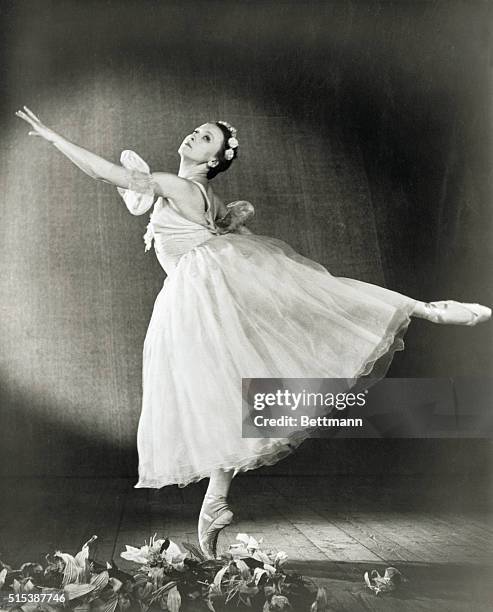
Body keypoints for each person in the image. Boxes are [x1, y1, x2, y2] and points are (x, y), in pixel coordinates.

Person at [16, 106, 491, 559]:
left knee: (223, 382)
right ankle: (216, 498)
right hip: (206, 287)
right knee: (222, 388)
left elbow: (106, 175)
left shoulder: (175, 185)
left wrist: (57, 139)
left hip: (199, 292)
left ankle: (417, 308)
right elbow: (208, 224)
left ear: (214, 158)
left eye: (206, 138)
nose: (193, 136)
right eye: (196, 130)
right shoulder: (199, 194)